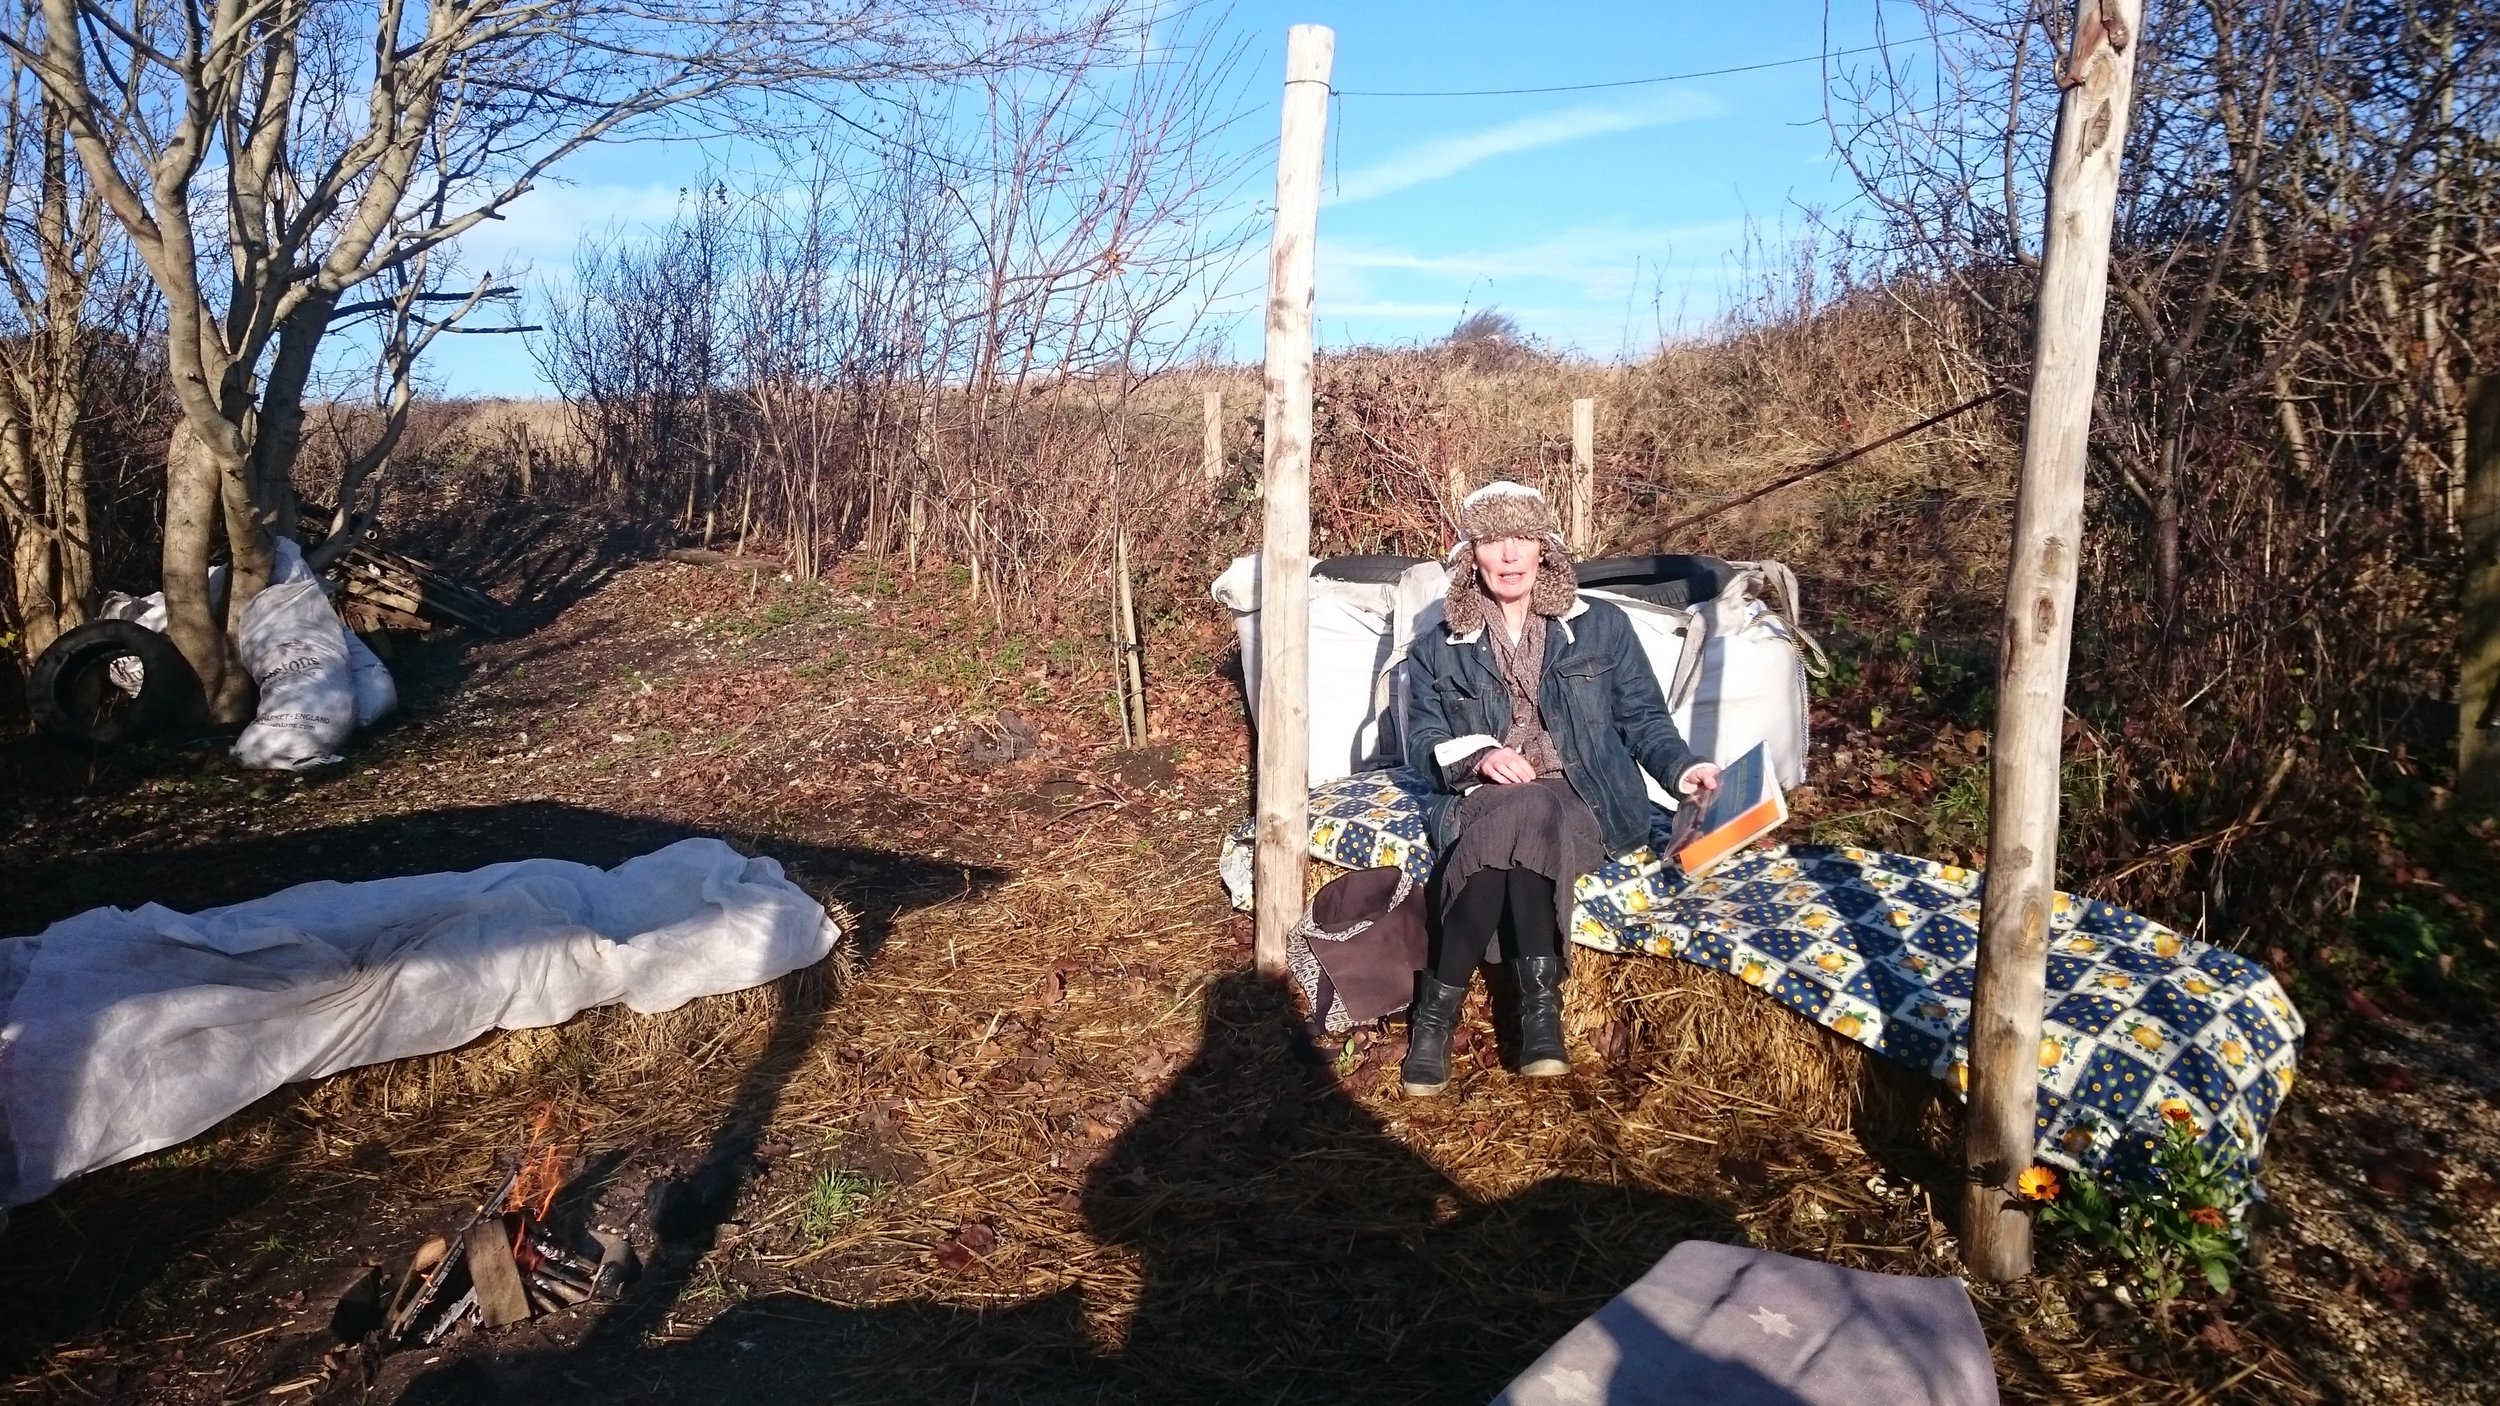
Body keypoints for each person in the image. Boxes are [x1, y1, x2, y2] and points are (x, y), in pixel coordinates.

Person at [1400, 481, 1719, 1096]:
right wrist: (1483, 755)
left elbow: (1642, 718)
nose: (1510, 555)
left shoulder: (1600, 626)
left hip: (1588, 793)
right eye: (1493, 541)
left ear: (1546, 549)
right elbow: (1423, 740)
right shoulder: (1441, 645)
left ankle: (1434, 1022)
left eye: (1523, 538)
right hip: (1485, 793)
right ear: (1473, 555)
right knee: (1525, 809)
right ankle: (1540, 1018)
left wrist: (1683, 771)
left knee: (1535, 811)